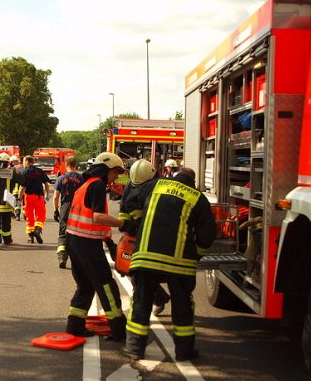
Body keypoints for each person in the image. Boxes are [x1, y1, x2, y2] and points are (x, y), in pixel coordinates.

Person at [123, 168, 217, 362]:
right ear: (193, 181)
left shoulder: (155, 185)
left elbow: (130, 200)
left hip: (145, 258)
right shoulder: (198, 198)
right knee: (182, 306)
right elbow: (207, 235)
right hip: (179, 264)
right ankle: (184, 352)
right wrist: (197, 254)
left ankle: (134, 349)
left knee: (141, 301)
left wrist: (138, 223)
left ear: (175, 176)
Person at [64, 151, 128, 340]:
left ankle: (74, 326)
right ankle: (118, 329)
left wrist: (108, 240)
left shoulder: (85, 185)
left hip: (73, 241)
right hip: (87, 245)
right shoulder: (98, 185)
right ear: (105, 169)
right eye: (115, 172)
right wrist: (123, 224)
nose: (116, 176)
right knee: (106, 285)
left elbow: (92, 221)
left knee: (85, 285)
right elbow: (98, 217)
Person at [118, 159, 171, 316]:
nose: (138, 189)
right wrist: (125, 230)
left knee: (145, 274)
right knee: (134, 272)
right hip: (137, 234)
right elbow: (124, 209)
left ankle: (145, 309)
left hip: (157, 235)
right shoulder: (131, 185)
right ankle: (159, 298)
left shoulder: (162, 187)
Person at [52, 155, 84, 268]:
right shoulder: (81, 178)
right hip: (79, 208)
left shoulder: (61, 178)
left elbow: (56, 197)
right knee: (78, 233)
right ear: (76, 165)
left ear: (66, 164)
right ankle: (79, 259)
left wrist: (55, 210)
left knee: (63, 233)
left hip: (65, 207)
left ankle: (62, 257)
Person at [20, 155, 51, 244]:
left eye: (23, 162)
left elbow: (22, 187)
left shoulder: (24, 172)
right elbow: (46, 184)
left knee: (29, 216)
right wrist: (47, 195)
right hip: (39, 197)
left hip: (28, 197)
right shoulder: (40, 171)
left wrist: (19, 198)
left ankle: (31, 237)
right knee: (41, 215)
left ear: (27, 161)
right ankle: (37, 231)